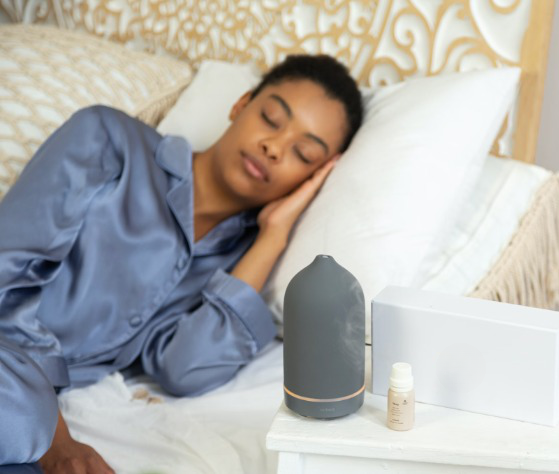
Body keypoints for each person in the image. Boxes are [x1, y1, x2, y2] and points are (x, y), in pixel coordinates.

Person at [0, 54, 363, 472]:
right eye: (270, 118)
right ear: (240, 104)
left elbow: (182, 370)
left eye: (303, 153)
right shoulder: (106, 140)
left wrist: (272, 238)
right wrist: (51, 434)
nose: (274, 147)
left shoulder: (234, 263)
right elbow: (6, 282)